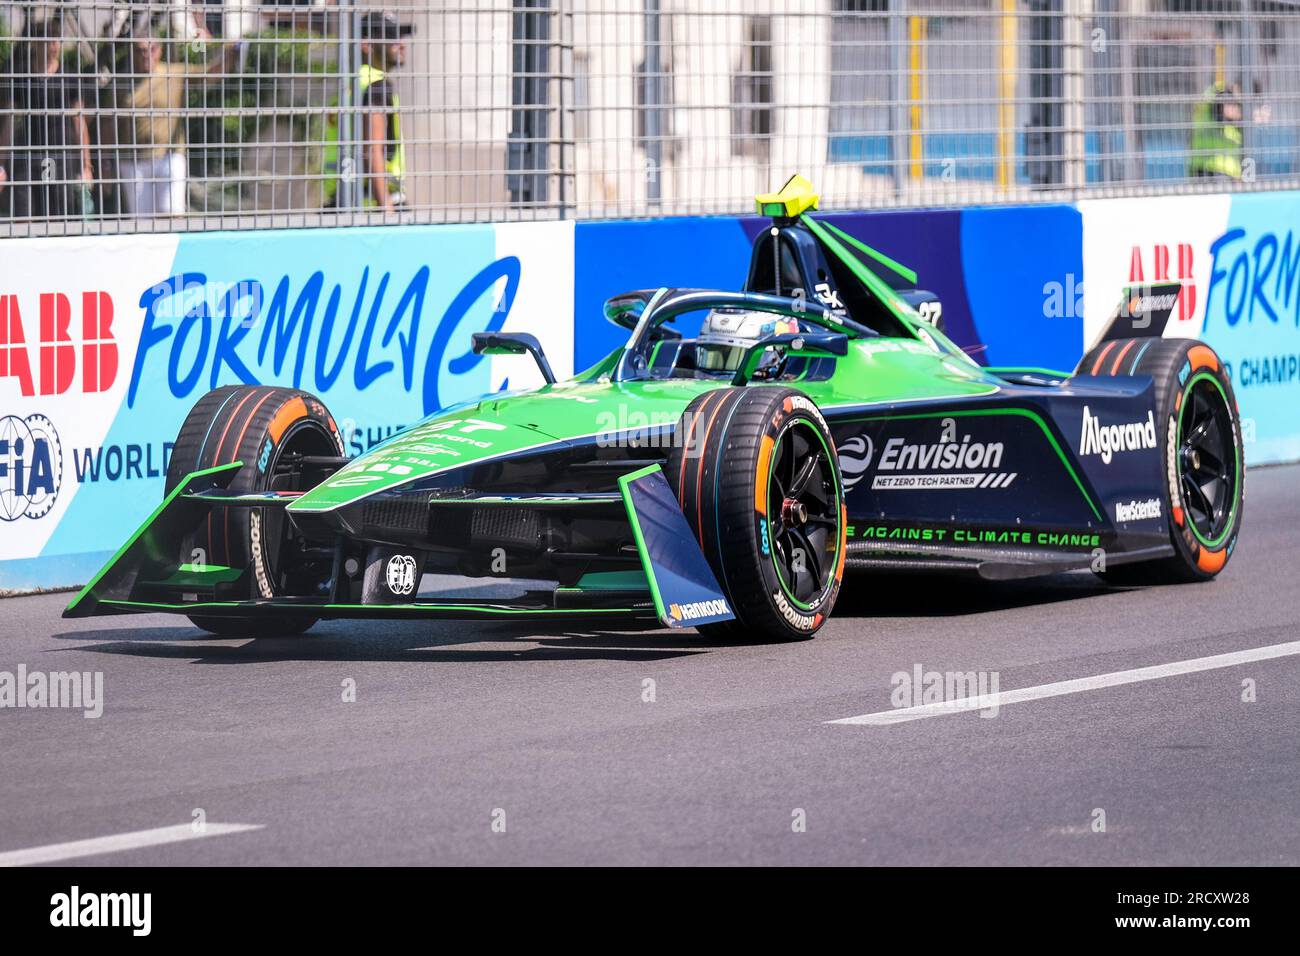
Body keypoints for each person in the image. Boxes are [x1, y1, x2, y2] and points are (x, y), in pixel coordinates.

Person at [114, 28, 236, 216]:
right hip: (134, 161)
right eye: (141, 50)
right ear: (133, 52)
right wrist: (105, 160)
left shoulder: (174, 72)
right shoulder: (121, 81)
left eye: (152, 48)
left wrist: (230, 52)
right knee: (142, 224)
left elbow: (210, 74)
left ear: (160, 50)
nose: (147, 54)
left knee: (172, 215)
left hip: (169, 156)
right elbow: (107, 121)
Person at [0, 17, 95, 220]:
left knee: (59, 214)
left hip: (60, 156)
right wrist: (1, 164)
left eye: (56, 40)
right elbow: (9, 121)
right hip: (28, 155)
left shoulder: (69, 76)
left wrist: (86, 166)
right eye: (48, 40)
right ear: (35, 43)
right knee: (24, 214)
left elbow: (80, 123)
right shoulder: (21, 77)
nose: (53, 46)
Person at [358, 11, 412, 210]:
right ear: (366, 45)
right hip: (378, 204)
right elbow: (373, 151)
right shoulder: (376, 86)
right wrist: (387, 210)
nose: (401, 44)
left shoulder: (352, 81)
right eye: (391, 37)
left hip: (349, 201)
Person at [1188, 81, 1243, 180]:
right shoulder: (1209, 106)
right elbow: (1211, 96)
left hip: (1228, 172)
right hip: (1208, 168)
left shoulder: (1242, 121)